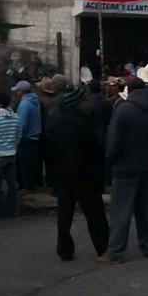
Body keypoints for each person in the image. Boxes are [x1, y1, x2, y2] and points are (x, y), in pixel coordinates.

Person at [101, 78, 148, 264]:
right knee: (147, 210)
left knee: (121, 212)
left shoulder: (123, 111)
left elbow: (114, 142)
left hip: (126, 168)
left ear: (129, 90)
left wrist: (110, 161)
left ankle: (115, 252)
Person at [48, 86, 110, 261]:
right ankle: (103, 247)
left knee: (64, 213)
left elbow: (49, 152)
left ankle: (64, 249)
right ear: (77, 103)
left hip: (63, 176)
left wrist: (52, 177)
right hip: (85, 175)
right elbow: (94, 150)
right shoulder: (84, 123)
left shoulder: (55, 123)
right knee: (95, 213)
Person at [0, 90, 21, 220]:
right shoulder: (16, 117)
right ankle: (12, 209)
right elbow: (18, 136)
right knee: (12, 184)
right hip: (12, 154)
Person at [12, 80, 42, 192]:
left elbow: (22, 124)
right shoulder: (35, 101)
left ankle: (25, 186)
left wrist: (17, 138)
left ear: (21, 91)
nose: (16, 93)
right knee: (31, 163)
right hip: (35, 136)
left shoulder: (24, 104)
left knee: (23, 164)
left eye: (17, 90)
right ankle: (31, 185)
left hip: (26, 138)